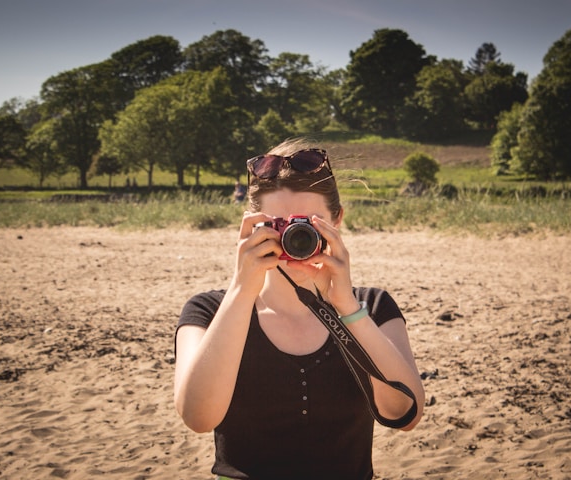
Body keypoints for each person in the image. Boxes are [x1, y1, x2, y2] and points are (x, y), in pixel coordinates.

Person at [173, 138, 425, 480]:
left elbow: (404, 414)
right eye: (279, 225)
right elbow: (198, 418)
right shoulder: (209, 310)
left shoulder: (374, 307)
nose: (295, 235)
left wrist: (347, 307)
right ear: (252, 225)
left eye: (308, 222)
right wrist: (241, 290)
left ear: (337, 221)